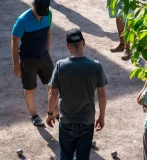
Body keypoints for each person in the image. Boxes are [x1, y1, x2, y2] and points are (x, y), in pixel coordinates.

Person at [46, 28, 107, 160]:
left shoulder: (60, 66)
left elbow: (53, 94)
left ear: (68, 46)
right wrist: (101, 117)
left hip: (66, 122)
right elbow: (102, 95)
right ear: (83, 43)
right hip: (87, 121)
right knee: (83, 157)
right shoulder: (96, 66)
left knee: (66, 156)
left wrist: (50, 113)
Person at [11, 0, 53, 126]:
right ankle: (33, 114)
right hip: (28, 59)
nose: (41, 15)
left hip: (44, 56)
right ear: (33, 5)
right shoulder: (22, 20)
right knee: (30, 88)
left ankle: (53, 110)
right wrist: (16, 64)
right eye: (38, 12)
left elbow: (48, 33)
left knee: (53, 83)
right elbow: (14, 42)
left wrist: (47, 51)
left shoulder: (48, 14)